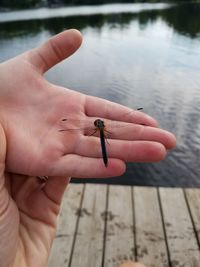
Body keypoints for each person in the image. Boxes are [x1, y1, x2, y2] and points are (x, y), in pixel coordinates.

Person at [0, 29, 176, 267]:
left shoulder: (93, 128)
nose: (98, 123)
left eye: (98, 123)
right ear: (99, 124)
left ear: (97, 125)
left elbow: (70, 127)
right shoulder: (101, 128)